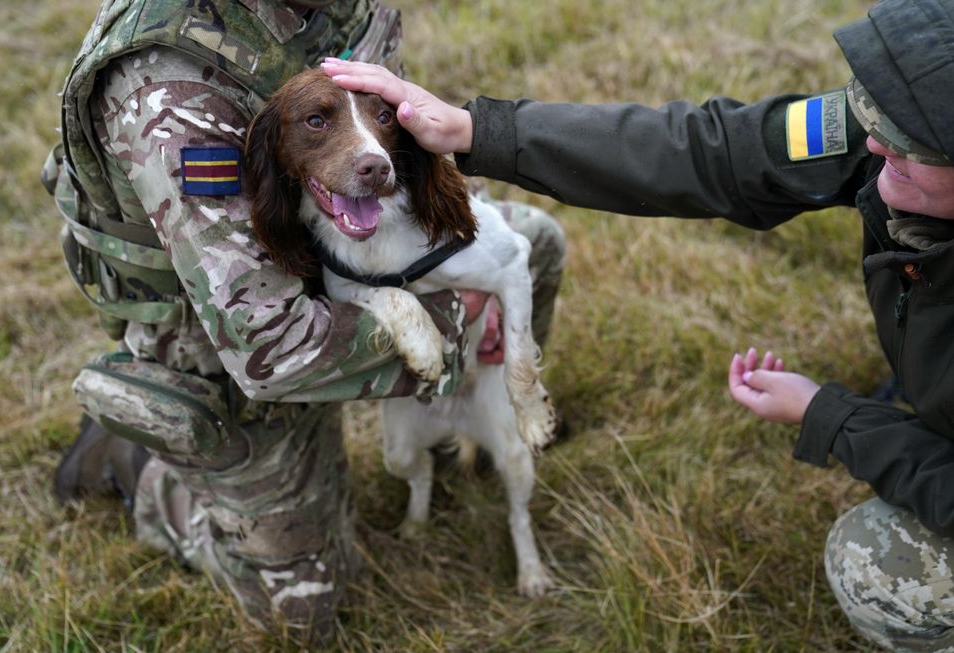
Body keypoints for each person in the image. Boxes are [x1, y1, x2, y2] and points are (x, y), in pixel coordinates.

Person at [322, 0, 954, 649]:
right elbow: (715, 151)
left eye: (910, 141)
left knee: (877, 563)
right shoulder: (889, 135)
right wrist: (474, 131)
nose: (876, 143)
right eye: (877, 117)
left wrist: (833, 416)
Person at [41, 0, 565, 640]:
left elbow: (377, 139)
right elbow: (270, 347)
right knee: (302, 609)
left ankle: (495, 424)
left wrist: (463, 246)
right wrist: (457, 317)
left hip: (340, 249)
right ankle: (143, 463)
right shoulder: (167, 75)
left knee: (531, 241)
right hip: (227, 336)